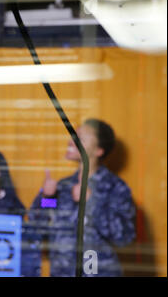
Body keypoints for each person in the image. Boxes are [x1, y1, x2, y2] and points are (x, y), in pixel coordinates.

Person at [28, 118, 136, 277]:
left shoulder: (115, 188)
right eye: (73, 136)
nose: (71, 141)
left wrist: (92, 203)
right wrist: (46, 197)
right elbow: (36, 226)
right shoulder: (63, 186)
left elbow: (124, 238)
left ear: (99, 150)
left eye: (80, 138)